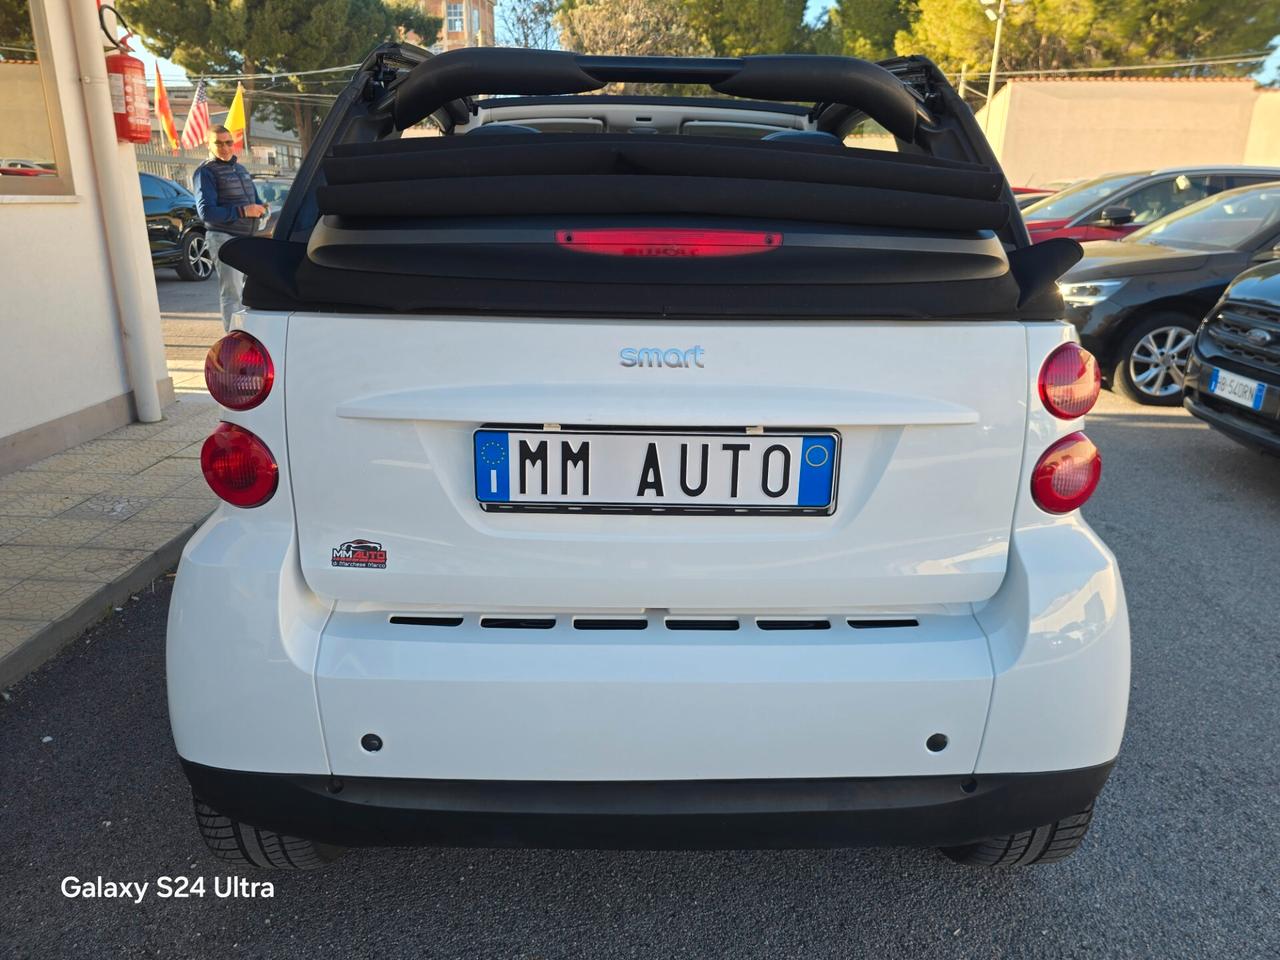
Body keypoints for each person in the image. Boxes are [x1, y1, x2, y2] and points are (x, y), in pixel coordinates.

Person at [192, 125, 267, 330]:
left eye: (228, 142)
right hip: (224, 239)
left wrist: (261, 208)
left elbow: (256, 200)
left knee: (249, 293)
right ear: (208, 144)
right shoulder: (205, 172)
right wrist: (243, 211)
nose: (224, 147)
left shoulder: (240, 169)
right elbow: (206, 212)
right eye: (218, 143)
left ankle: (248, 338)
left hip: (246, 239)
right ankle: (233, 344)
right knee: (232, 294)